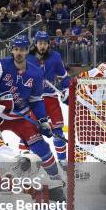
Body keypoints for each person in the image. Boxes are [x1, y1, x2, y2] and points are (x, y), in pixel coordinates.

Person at [0, 35, 65, 201]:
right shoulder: (2, 65)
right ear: (12, 50)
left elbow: (36, 100)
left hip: (22, 116)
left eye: (23, 49)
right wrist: (0, 96)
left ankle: (55, 181)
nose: (19, 52)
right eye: (16, 49)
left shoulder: (36, 72)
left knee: (43, 148)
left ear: (27, 50)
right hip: (0, 115)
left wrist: (42, 120)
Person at [26, 31, 74, 174]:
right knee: (31, 132)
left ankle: (63, 160)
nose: (42, 46)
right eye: (39, 43)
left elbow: (64, 78)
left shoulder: (55, 57)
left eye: (44, 43)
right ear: (36, 44)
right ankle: (28, 159)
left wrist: (67, 90)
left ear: (48, 44)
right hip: (35, 99)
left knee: (58, 130)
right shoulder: (28, 58)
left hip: (51, 98)